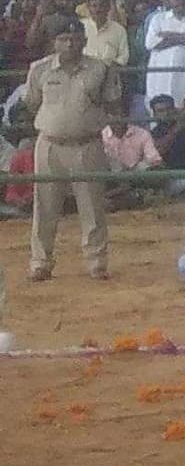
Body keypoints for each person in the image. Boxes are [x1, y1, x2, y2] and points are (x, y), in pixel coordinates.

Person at [22, 18, 120, 280]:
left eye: (75, 38)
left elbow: (112, 102)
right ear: (54, 42)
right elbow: (32, 103)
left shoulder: (100, 69)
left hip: (87, 143)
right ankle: (40, 261)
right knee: (44, 206)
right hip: (50, 143)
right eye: (64, 38)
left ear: (84, 41)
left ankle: (96, 262)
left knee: (92, 206)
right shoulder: (39, 69)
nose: (70, 43)